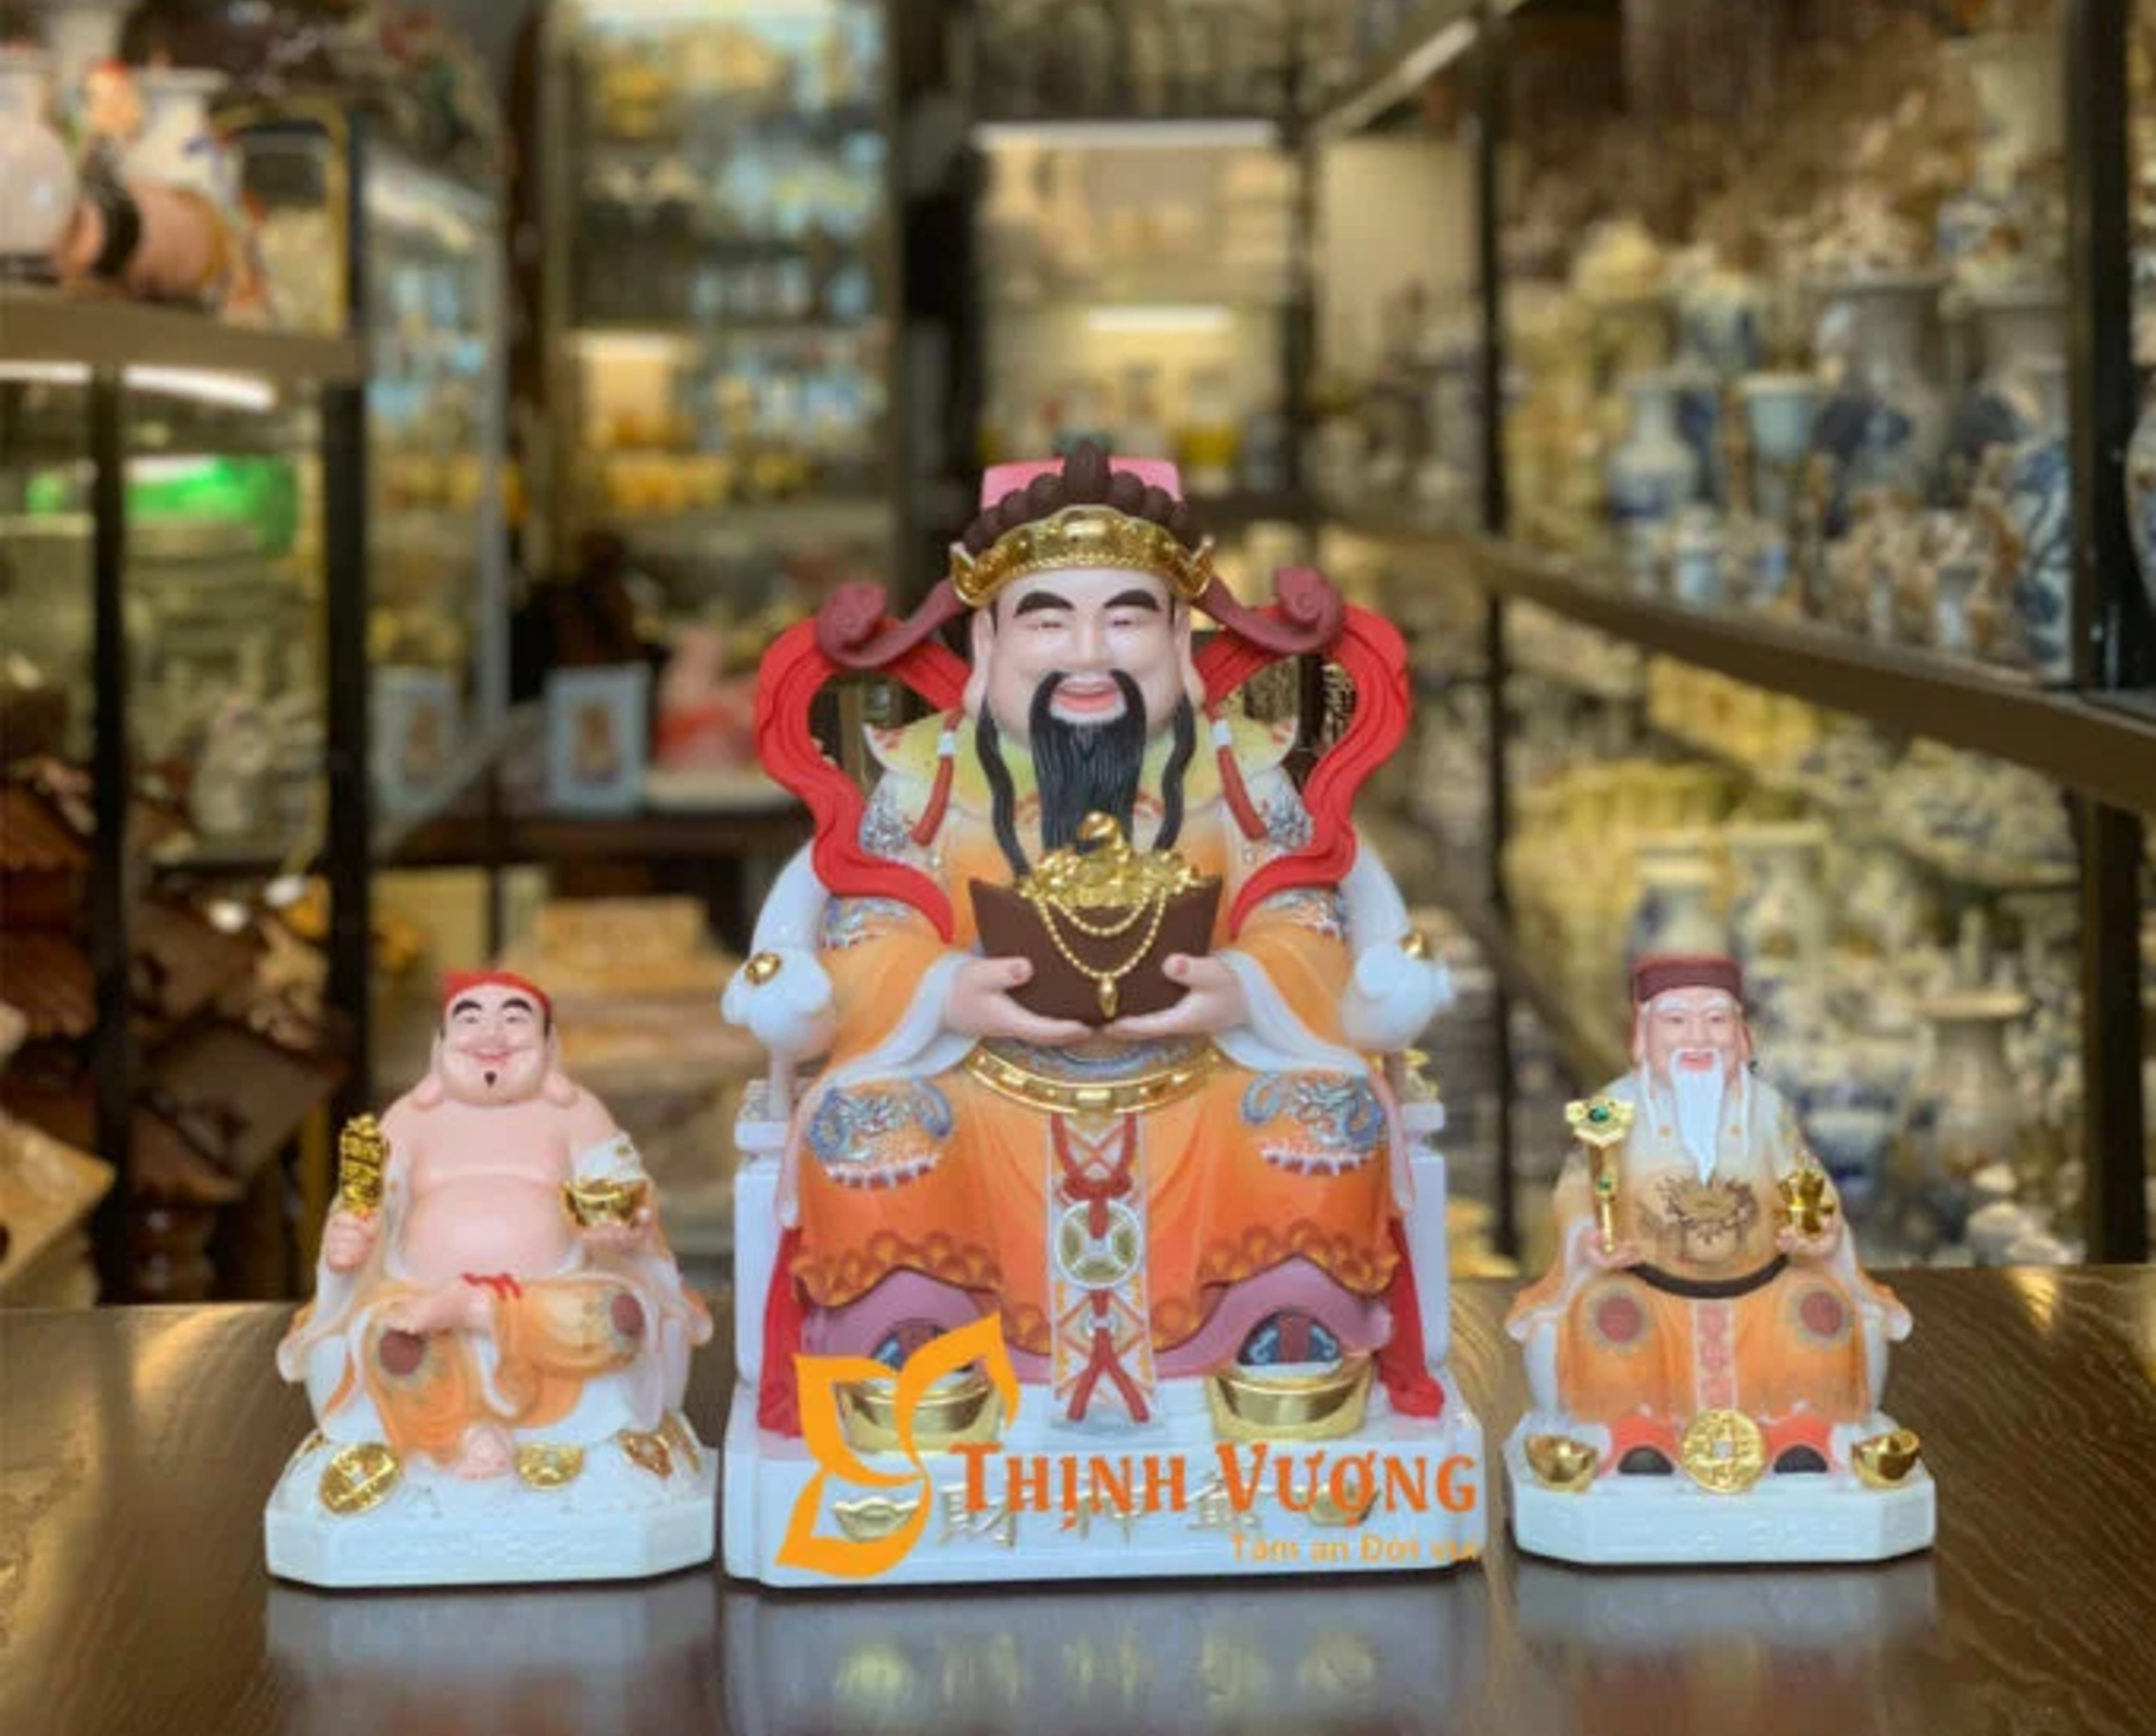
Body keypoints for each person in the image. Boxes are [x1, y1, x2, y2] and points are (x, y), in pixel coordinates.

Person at [727, 443, 1450, 1429]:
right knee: (870, 1127)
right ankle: (920, 1342)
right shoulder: (927, 780)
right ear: (986, 642)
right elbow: (870, 928)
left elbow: (1305, 912)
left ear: (1181, 638)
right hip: (978, 1076)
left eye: (1126, 617)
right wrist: (946, 992)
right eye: (1047, 619)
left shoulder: (1239, 774)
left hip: (1204, 1071)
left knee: (1326, 1114)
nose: (1088, 654)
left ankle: (1276, 1333)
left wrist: (1244, 985)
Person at [279, 970, 710, 1482]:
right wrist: (347, 1239)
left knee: (618, 1318)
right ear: (440, 1044)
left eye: (513, 1018)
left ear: (549, 1045)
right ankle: (460, 1435)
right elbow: (363, 1200)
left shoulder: (577, 1115)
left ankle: (476, 1310)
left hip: (555, 1290)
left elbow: (624, 1187)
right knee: (388, 1339)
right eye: (470, 1019)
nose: (491, 1035)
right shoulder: (407, 1119)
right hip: (416, 1293)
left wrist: (629, 1227)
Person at [1506, 952, 1909, 1476]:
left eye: (1716, 1020)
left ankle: (1802, 1434)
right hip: (1650, 1291)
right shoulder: (1613, 1107)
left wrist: (1821, 1226)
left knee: (1819, 1312)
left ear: (1741, 1034)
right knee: (1609, 1319)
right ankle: (1634, 1438)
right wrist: (1587, 1233)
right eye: (1676, 1021)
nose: (1698, 1038)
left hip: (1764, 1294)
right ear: (1644, 1034)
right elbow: (1577, 1186)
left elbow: (1806, 1178)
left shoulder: (1767, 1110)